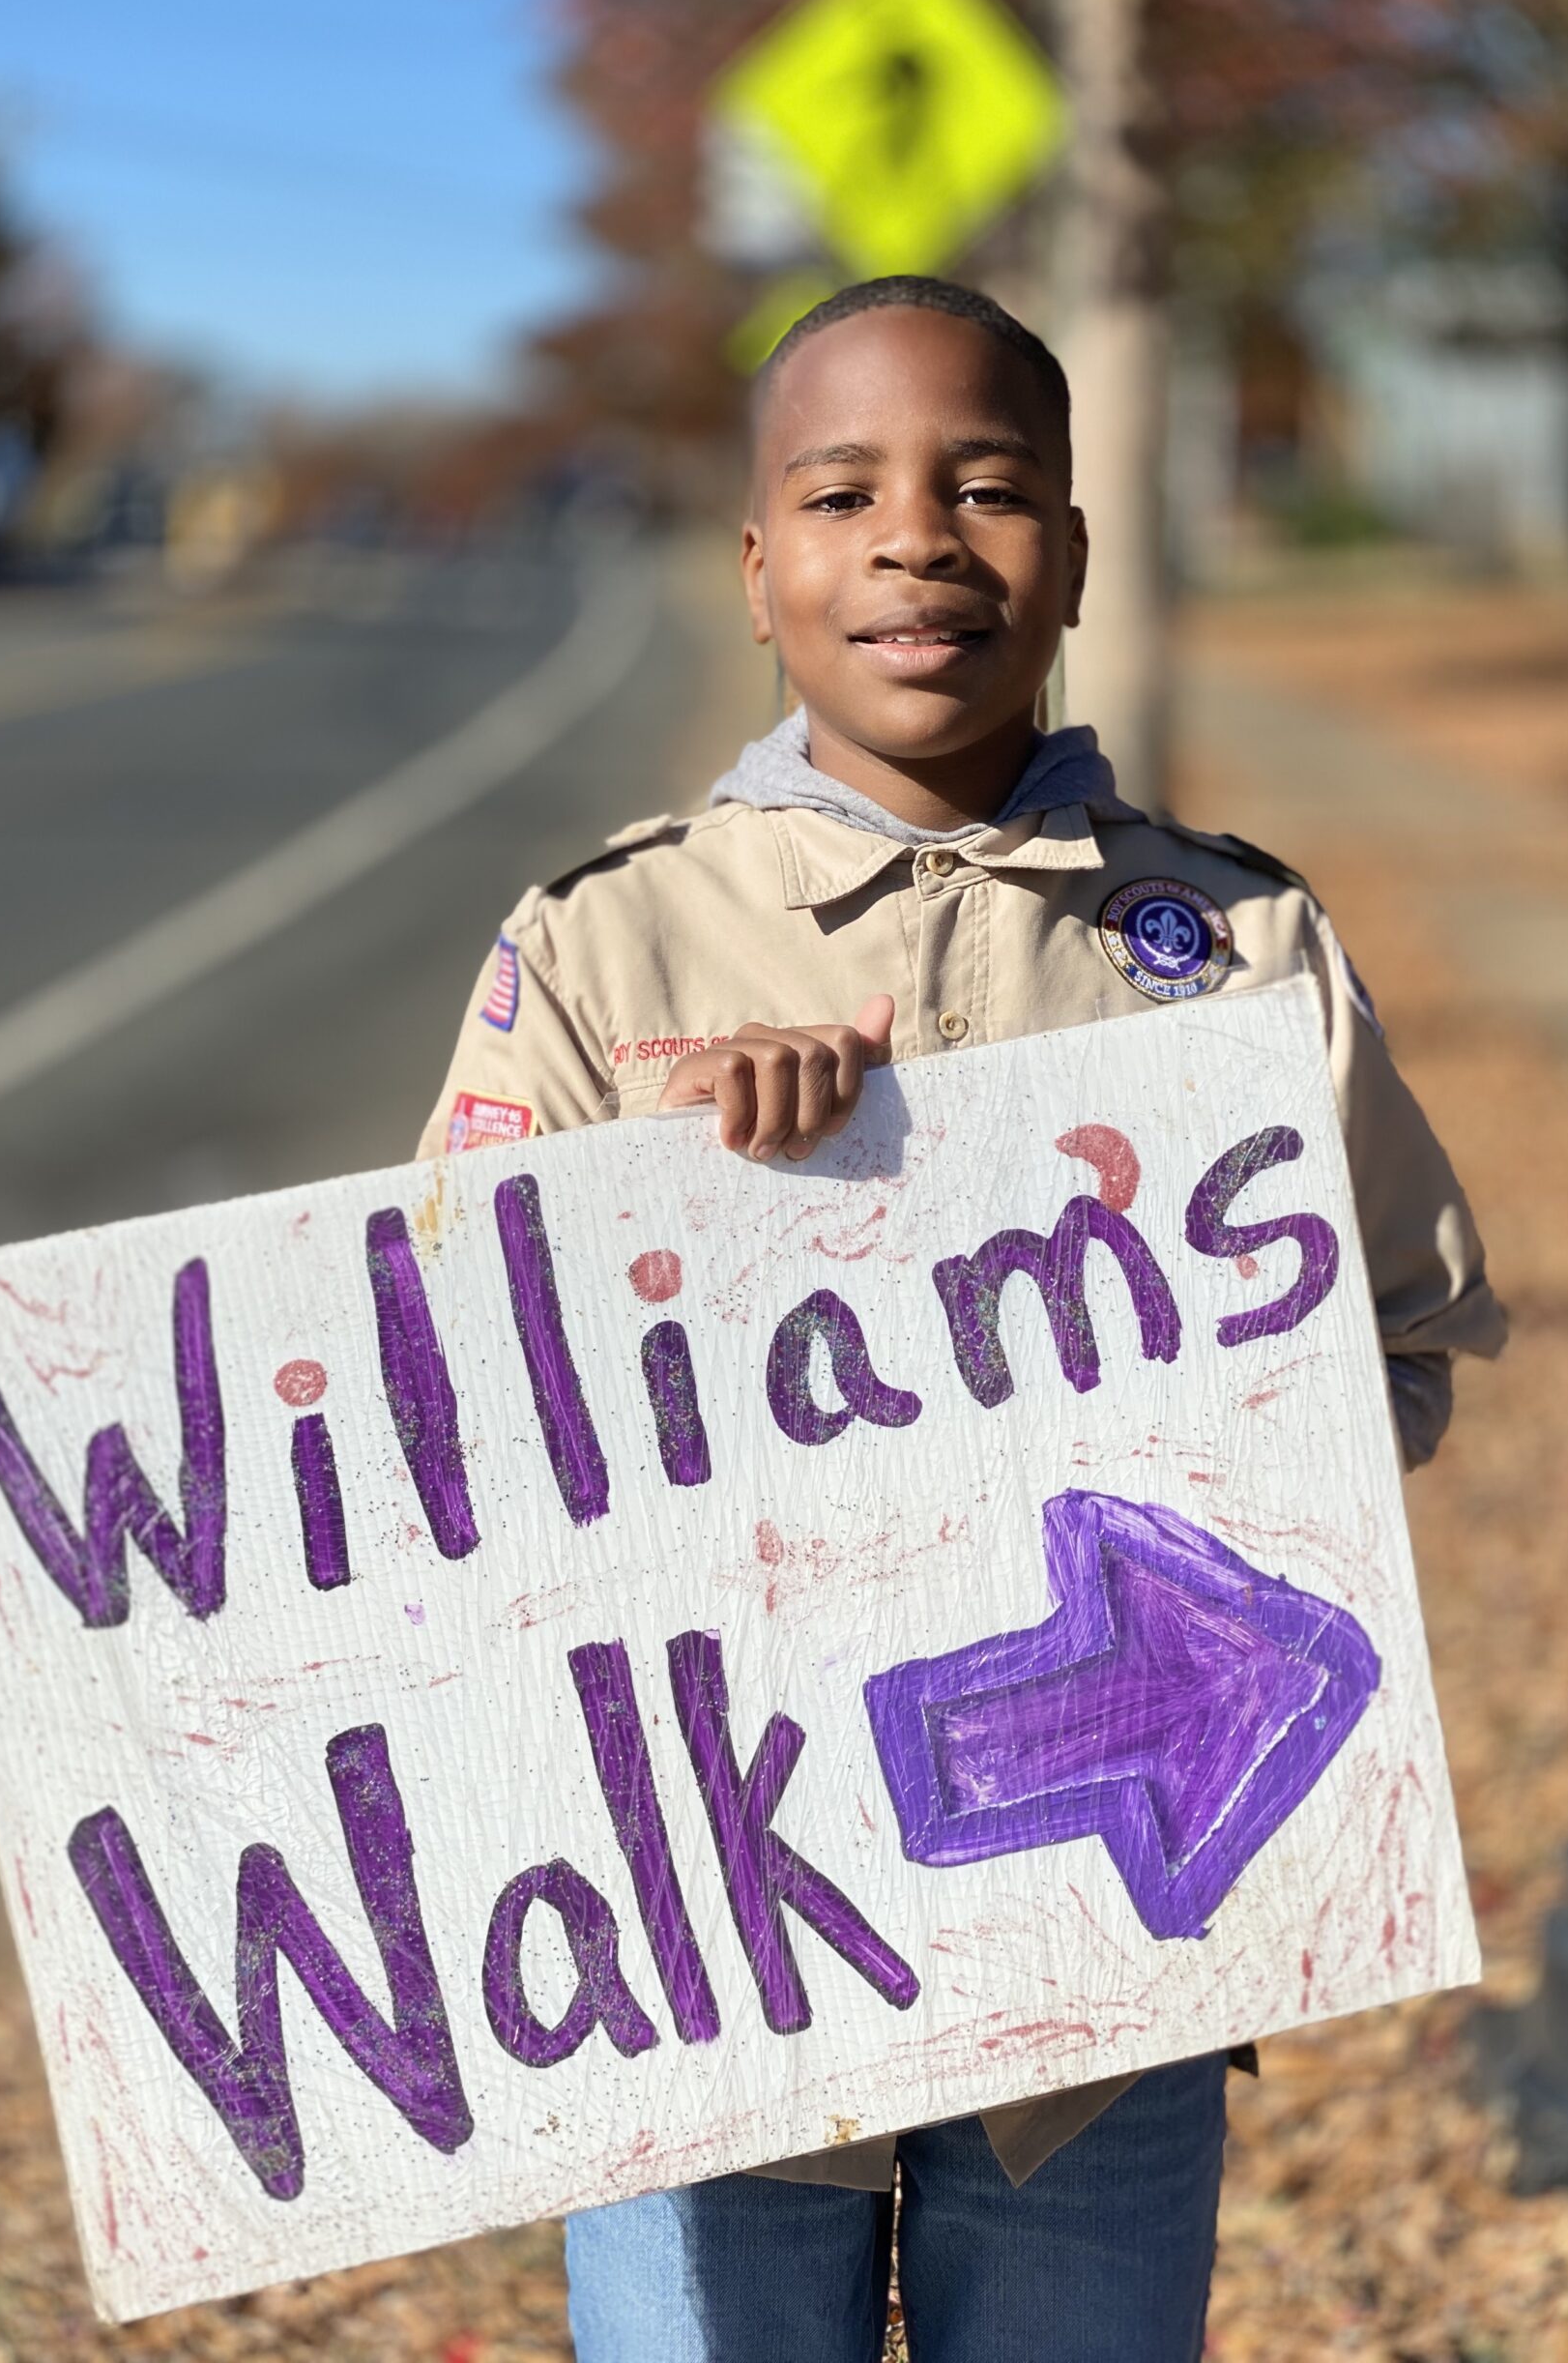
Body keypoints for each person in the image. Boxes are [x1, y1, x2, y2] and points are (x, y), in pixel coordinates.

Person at [420, 275, 1506, 2363]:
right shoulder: (603, 936)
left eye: (991, 485)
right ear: (758, 572)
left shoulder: (1232, 943)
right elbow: (439, 1403)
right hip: (710, 1930)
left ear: (1077, 553)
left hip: (1105, 1937)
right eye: (843, 493)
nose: (919, 535)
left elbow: (1391, 1336)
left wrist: (1246, 1497)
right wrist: (682, 1220)